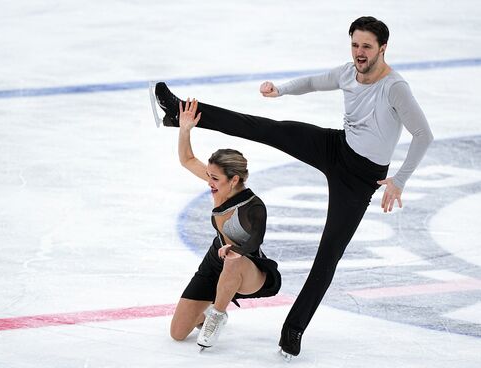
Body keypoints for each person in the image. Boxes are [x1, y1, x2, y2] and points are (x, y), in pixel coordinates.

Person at [152, 16, 434, 359]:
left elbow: (423, 135)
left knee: (328, 255)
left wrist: (399, 180)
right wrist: (281, 89)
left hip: (361, 179)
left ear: (383, 49)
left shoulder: (395, 88)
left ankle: (293, 330)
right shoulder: (348, 72)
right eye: (355, 45)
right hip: (337, 148)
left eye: (367, 47)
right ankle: (177, 111)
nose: (359, 53)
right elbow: (316, 81)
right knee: (268, 129)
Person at [169, 98, 282, 350]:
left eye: (215, 178)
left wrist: (236, 251)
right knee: (177, 333)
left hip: (248, 266)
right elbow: (187, 159)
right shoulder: (217, 182)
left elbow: (255, 241)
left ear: (234, 180)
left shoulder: (253, 206)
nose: (209, 182)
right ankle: (213, 306)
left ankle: (216, 318)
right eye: (209, 175)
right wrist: (185, 129)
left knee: (232, 262)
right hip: (215, 258)